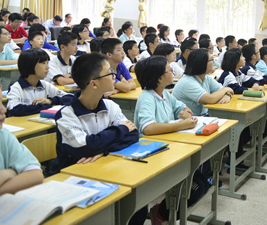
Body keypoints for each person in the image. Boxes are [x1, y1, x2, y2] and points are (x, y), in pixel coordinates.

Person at [52, 53, 145, 224]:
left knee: (138, 202)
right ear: (93, 84)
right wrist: (119, 131)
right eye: (109, 73)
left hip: (106, 166)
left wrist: (104, 150)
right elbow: (85, 148)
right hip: (74, 176)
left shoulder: (110, 105)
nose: (114, 76)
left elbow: (133, 135)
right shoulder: (66, 115)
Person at [133, 56, 198, 224]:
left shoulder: (164, 94)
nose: (173, 72)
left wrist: (186, 113)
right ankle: (163, 210)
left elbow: (183, 107)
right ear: (160, 78)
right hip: (149, 151)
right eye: (169, 70)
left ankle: (166, 207)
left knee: (196, 174)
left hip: (167, 145)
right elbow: (148, 128)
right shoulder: (147, 97)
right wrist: (181, 125)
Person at [7, 49, 69, 116]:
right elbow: (15, 109)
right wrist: (46, 106)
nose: (47, 67)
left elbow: (70, 98)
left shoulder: (45, 85)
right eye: (43, 63)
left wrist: (50, 101)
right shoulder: (16, 87)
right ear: (30, 65)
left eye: (47, 63)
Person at [172, 48, 233, 116]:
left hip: (201, 117)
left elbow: (222, 90)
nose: (213, 62)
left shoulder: (206, 77)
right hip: (188, 121)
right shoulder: (188, 82)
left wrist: (228, 94)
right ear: (202, 63)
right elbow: (211, 99)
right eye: (211, 59)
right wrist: (226, 89)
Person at [0, 103, 44, 195]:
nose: (4, 109)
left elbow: (36, 175)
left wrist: (5, 175)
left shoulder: (4, 135)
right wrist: (11, 173)